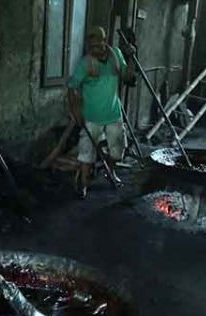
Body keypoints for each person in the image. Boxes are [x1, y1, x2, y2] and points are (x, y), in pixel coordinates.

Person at [67, 26, 136, 199]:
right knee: (86, 153)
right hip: (91, 117)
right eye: (91, 44)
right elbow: (72, 88)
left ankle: (110, 172)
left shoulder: (116, 55)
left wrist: (131, 56)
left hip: (113, 114)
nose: (94, 47)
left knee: (117, 151)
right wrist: (76, 111)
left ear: (104, 41)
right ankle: (83, 184)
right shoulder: (85, 63)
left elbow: (129, 78)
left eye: (98, 42)